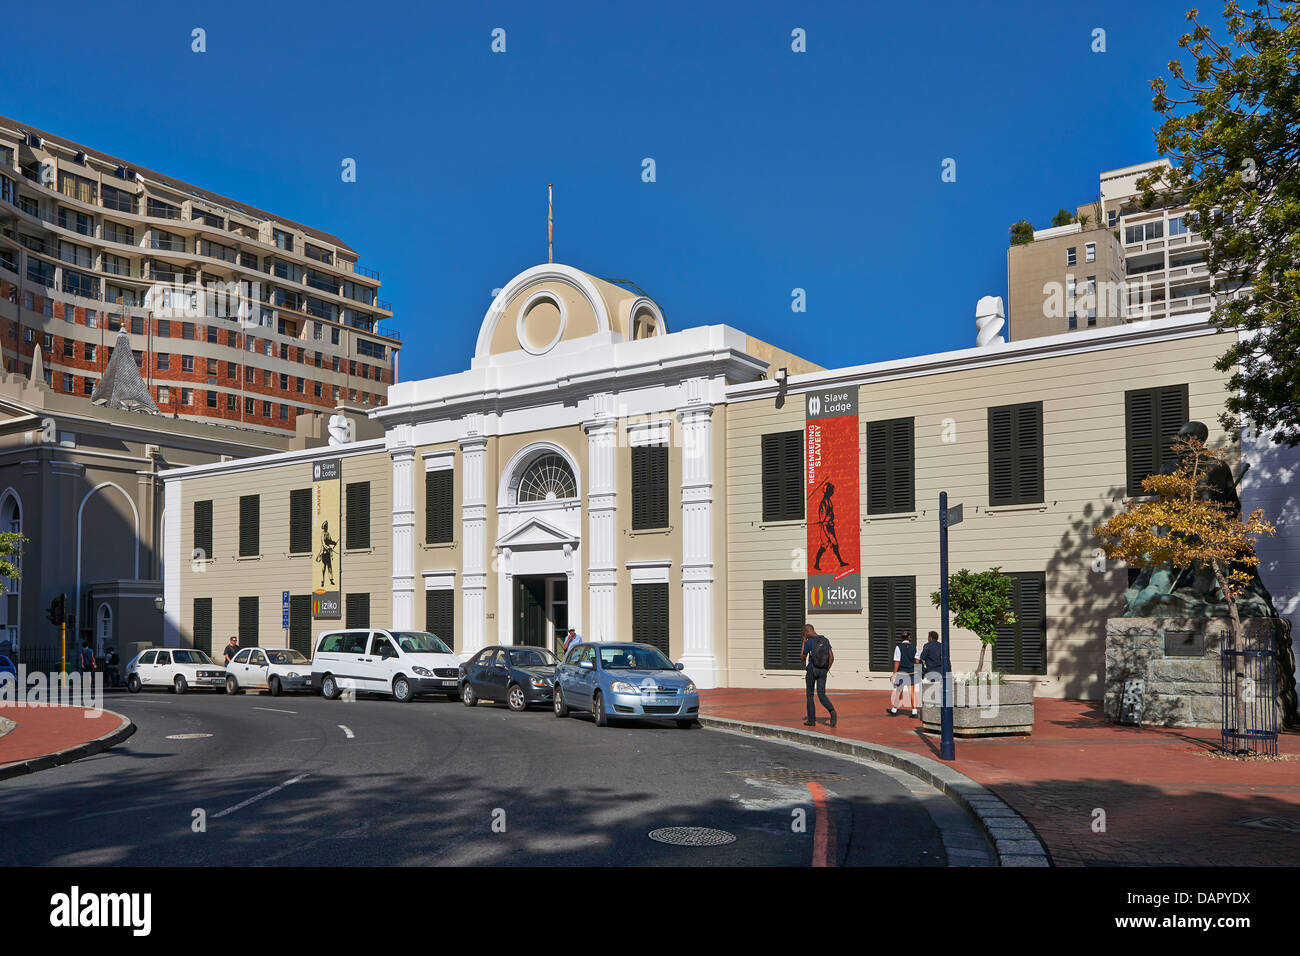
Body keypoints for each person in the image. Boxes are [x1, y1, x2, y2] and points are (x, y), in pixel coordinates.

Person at [800, 624, 837, 728]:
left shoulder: (809, 642)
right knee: (821, 694)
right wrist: (826, 669)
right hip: (823, 671)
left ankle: (811, 720)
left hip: (812, 670)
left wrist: (804, 642)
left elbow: (802, 657)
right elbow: (832, 657)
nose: (804, 635)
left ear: (807, 631)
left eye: (804, 633)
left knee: (810, 695)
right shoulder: (825, 640)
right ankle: (832, 711)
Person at [887, 630, 919, 717]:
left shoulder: (898, 647)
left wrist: (894, 673)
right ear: (909, 637)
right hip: (912, 672)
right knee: (912, 692)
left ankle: (894, 710)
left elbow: (897, 661)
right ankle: (914, 711)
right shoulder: (914, 647)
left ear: (901, 638)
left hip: (902, 673)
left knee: (899, 691)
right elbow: (917, 660)